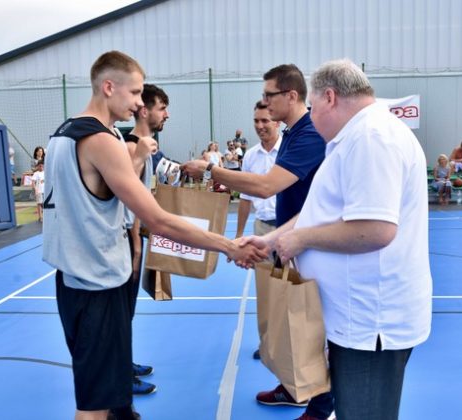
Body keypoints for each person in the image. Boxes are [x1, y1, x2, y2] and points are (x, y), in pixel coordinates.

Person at [42, 51, 266, 420]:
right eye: (134, 93)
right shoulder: (102, 141)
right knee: (94, 408)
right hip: (97, 283)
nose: (137, 103)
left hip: (73, 280)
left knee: (110, 399)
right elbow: (157, 220)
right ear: (108, 86)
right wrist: (227, 244)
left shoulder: (62, 134)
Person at [243, 58, 432, 420]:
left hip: (370, 322)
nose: (311, 118)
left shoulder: (371, 138)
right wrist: (271, 242)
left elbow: (375, 229)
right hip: (353, 317)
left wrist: (300, 241)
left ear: (329, 97)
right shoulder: (353, 138)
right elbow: (319, 211)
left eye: (313, 108)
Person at [183, 63, 331, 420]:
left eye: (269, 95)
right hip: (288, 238)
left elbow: (266, 186)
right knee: (281, 316)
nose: (264, 103)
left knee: (312, 325)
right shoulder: (295, 133)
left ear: (291, 96)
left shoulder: (309, 133)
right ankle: (293, 385)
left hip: (309, 242)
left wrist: (210, 170)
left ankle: (322, 403)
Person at [122, 83, 170, 395]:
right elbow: (126, 196)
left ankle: (124, 363)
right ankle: (120, 377)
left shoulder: (148, 145)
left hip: (135, 235)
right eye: (162, 108)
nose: (166, 115)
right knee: (119, 311)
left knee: (127, 310)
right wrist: (137, 244)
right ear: (145, 110)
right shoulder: (129, 147)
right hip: (125, 238)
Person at [235, 101, 280, 240]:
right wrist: (239, 234)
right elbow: (245, 197)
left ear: (277, 122)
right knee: (262, 263)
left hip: (288, 227)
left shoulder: (289, 151)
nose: (259, 126)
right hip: (261, 228)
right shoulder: (250, 155)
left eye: (265, 121)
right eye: (256, 121)